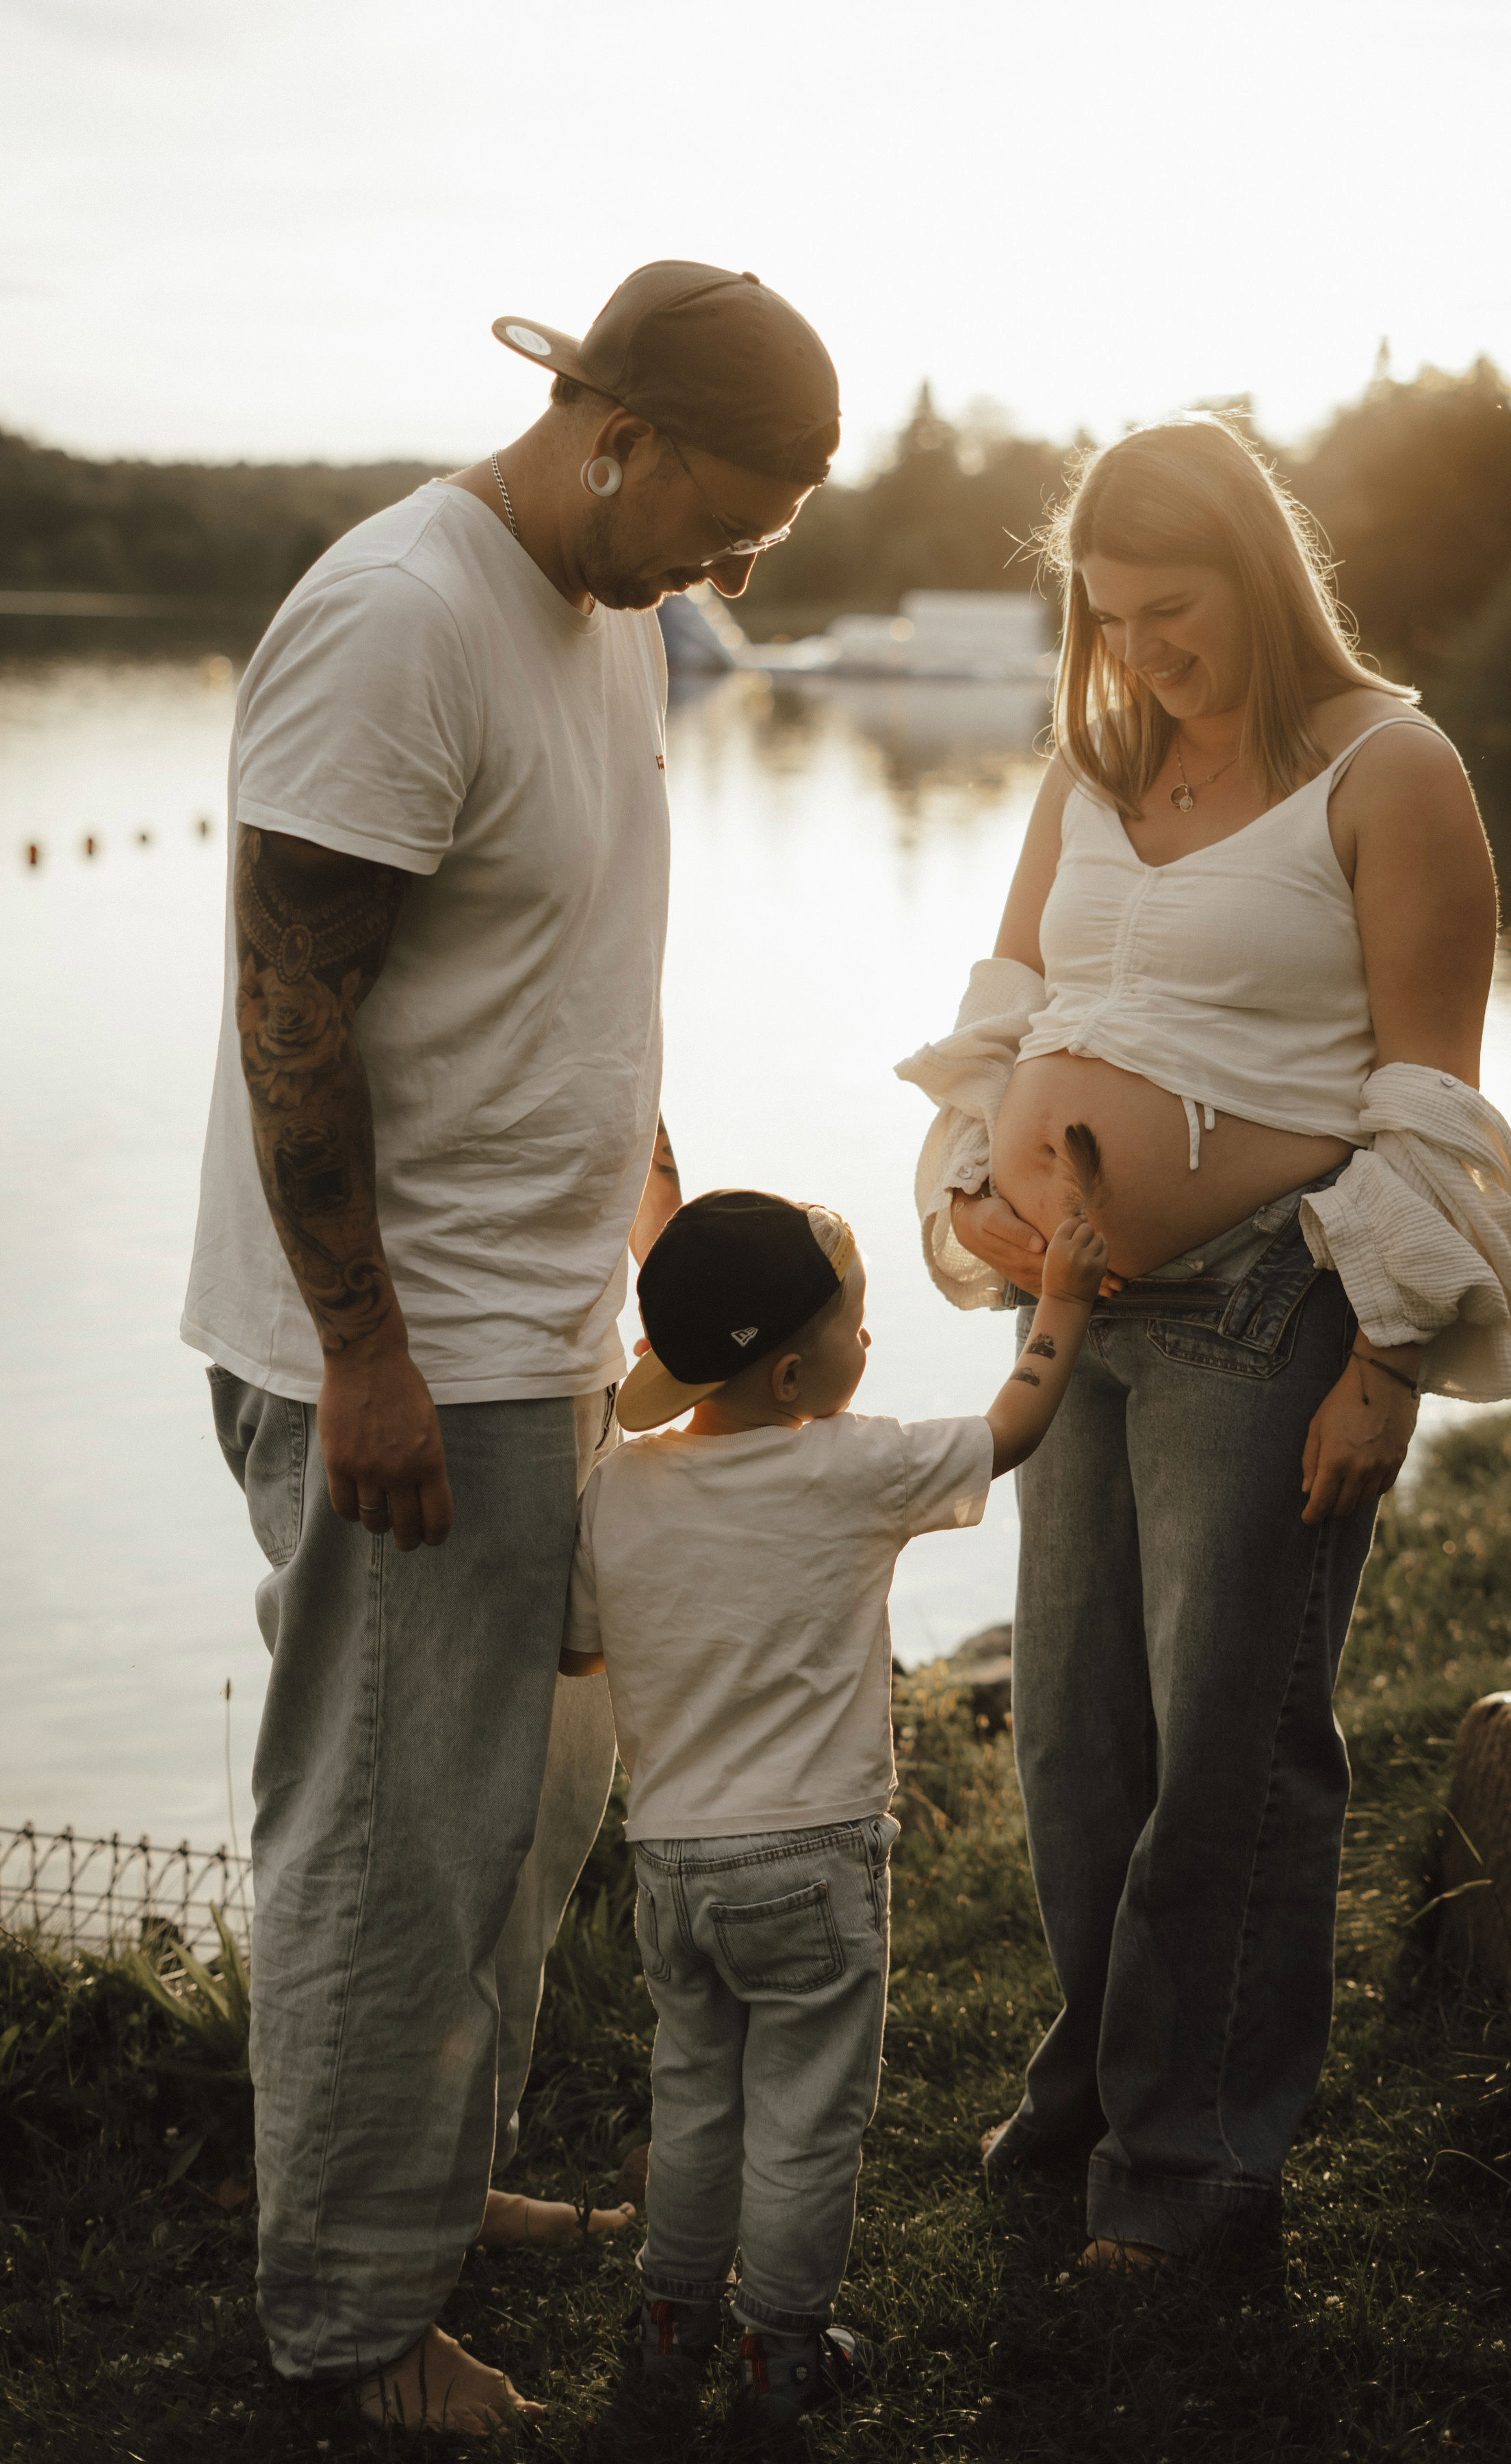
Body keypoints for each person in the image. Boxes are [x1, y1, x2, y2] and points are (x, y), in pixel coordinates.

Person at [181, 261, 840, 2435]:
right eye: (726, 521)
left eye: (772, 538)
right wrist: (360, 1353)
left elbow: (568, 945)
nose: (736, 571)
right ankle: (350, 2332)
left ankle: (428, 2191)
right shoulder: (401, 620)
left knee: (520, 1820)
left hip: (535, 1329)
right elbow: (295, 1018)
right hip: (401, 1358)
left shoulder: (614, 615)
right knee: (390, 1834)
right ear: (610, 428)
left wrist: (639, 1196)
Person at [896, 415, 1511, 2270]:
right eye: (1106, 621)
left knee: (1230, 1752)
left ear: (1256, 578)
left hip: (1264, 1309)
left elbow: (1429, 1099)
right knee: (1073, 1748)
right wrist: (962, 1196)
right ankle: (1097, 2088)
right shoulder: (1092, 761)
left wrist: (1390, 1361)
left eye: (1170, 615)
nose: (1141, 656)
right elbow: (1006, 1007)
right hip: (1067, 1310)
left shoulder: (1388, 771)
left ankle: (1193, 2175)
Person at [556, 1187, 1109, 2428]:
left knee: (695, 2095)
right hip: (811, 1856)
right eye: (862, 1330)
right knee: (805, 2120)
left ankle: (672, 2323)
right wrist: (1059, 1305)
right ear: (800, 1375)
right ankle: (782, 2356)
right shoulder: (855, 1465)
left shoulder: (619, 1488)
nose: (875, 1348)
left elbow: (581, 1653)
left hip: (673, 1867)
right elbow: (1012, 1427)